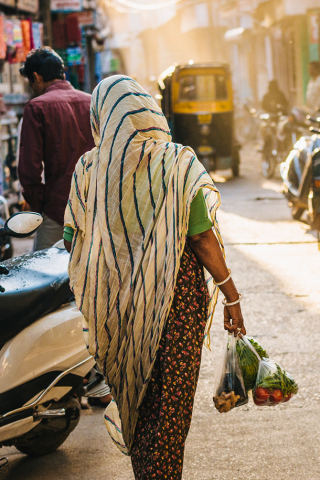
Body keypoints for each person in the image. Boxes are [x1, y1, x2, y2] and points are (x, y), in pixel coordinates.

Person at [63, 75, 246, 480]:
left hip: (116, 306)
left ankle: (148, 472)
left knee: (138, 397)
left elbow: (71, 238)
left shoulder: (89, 169)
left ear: (102, 118)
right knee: (170, 406)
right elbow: (201, 235)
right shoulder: (176, 163)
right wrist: (230, 297)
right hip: (176, 304)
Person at [18, 47, 94, 251]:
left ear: (36, 76)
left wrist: (39, 206)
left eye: (30, 82)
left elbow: (30, 171)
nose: (32, 88)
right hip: (95, 207)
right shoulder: (92, 102)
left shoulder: (37, 107)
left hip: (57, 210)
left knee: (46, 275)